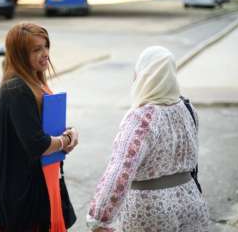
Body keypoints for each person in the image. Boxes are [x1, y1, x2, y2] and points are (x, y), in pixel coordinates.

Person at [86, 46, 209, 232]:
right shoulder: (187, 108)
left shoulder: (142, 118)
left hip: (150, 212)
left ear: (143, 76)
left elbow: (120, 170)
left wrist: (98, 219)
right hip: (191, 202)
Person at [0, 23, 79, 232]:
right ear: (19, 55)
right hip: (22, 190)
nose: (45, 53)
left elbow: (42, 127)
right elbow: (38, 144)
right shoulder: (16, 88)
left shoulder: (36, 81)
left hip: (43, 181)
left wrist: (69, 132)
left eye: (46, 46)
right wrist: (65, 141)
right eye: (36, 49)